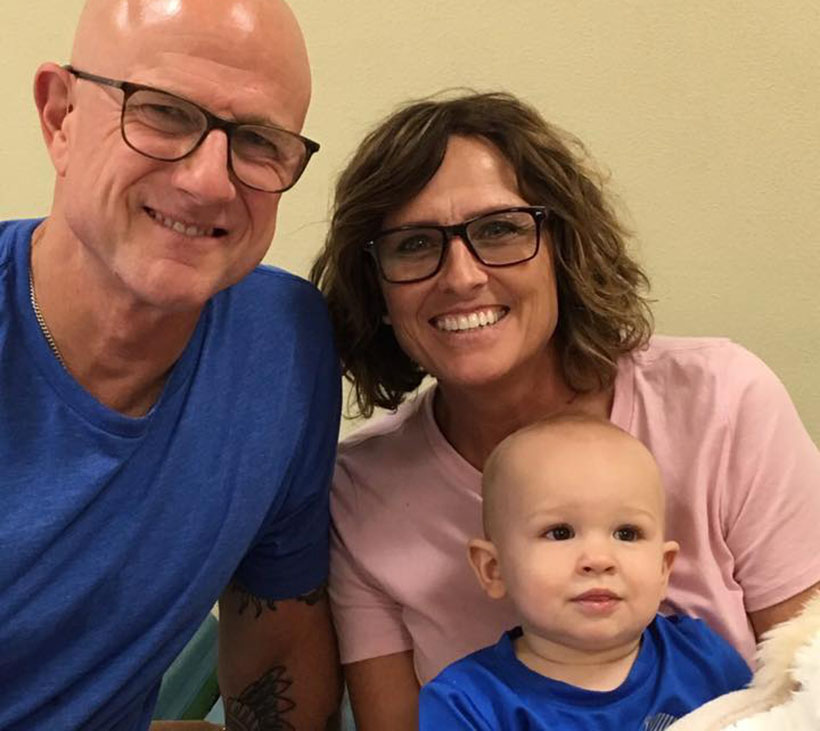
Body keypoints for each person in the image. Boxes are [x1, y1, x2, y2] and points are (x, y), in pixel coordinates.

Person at [309, 91, 820, 730]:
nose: (462, 276)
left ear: (563, 250)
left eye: (499, 229)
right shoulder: (359, 493)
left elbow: (808, 684)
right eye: (413, 244)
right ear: (376, 289)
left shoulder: (723, 402)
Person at [0, 1, 342, 729]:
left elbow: (277, 645)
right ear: (61, 118)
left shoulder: (283, 349)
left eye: (258, 141)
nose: (209, 181)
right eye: (161, 113)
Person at [419, 415, 752, 729]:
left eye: (627, 534)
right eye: (560, 532)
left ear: (663, 568)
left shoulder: (704, 659)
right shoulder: (466, 703)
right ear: (494, 569)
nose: (598, 559)